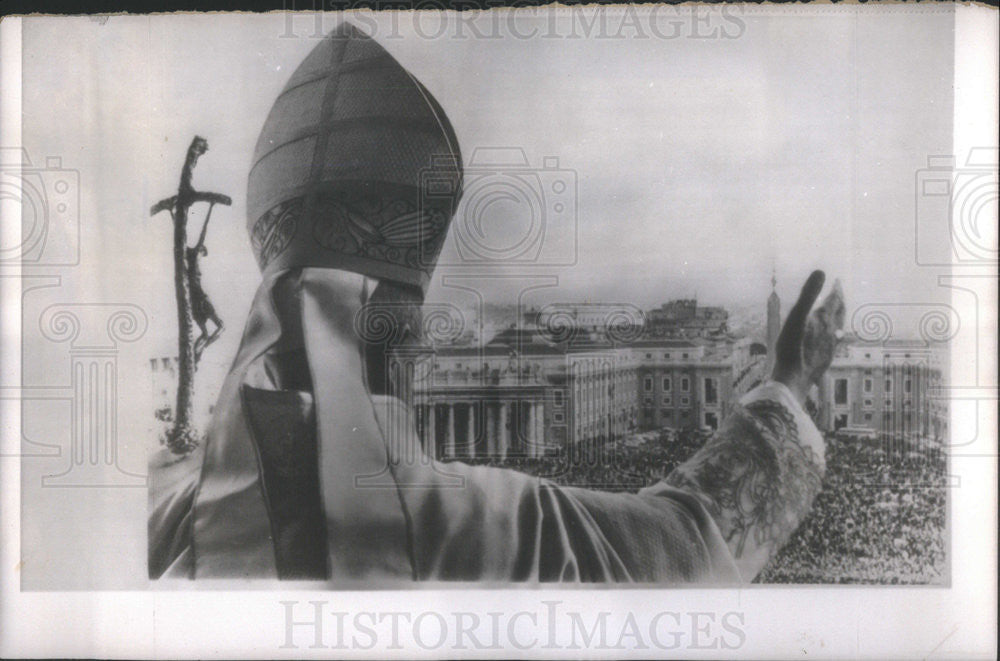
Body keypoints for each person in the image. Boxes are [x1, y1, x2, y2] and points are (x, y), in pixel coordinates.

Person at [148, 22, 845, 583]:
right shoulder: (481, 530)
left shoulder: (156, 514)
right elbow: (693, 539)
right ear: (396, 333)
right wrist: (788, 383)